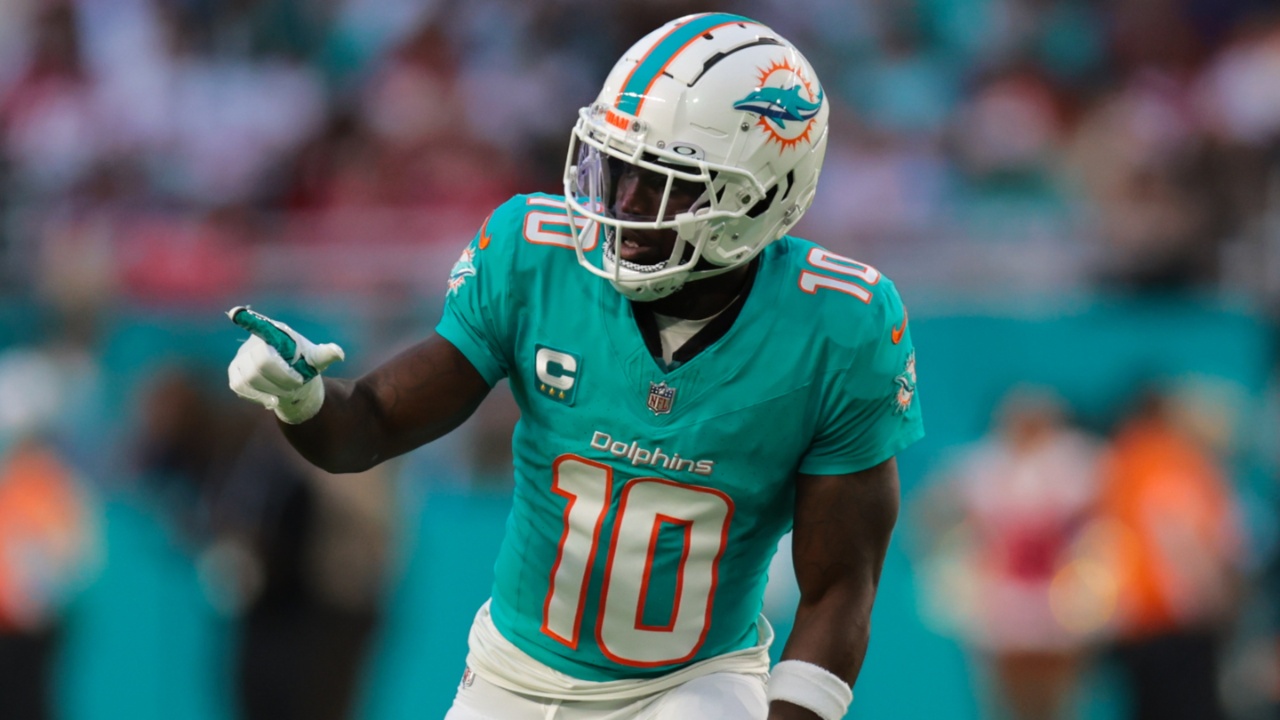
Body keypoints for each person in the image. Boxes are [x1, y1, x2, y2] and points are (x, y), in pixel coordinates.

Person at [227, 12, 923, 720]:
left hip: (692, 684)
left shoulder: (840, 327)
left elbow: (841, 586)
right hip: (512, 676)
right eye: (617, 169)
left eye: (665, 184)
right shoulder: (538, 258)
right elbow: (368, 426)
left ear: (759, 198)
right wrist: (304, 399)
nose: (622, 205)